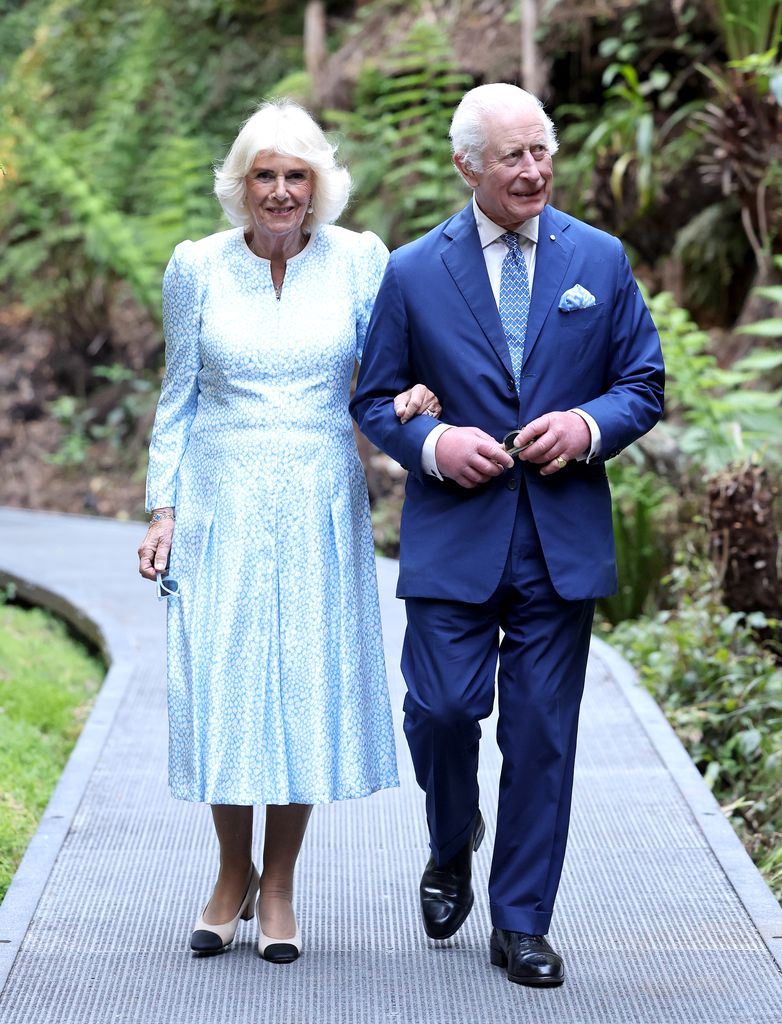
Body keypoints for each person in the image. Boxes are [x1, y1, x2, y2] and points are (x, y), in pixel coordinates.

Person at [351, 82, 665, 988]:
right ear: (467, 167)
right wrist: (436, 443)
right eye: (513, 157)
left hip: (560, 540)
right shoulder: (413, 270)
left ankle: (521, 920)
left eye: (542, 152)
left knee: (539, 739)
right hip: (455, 534)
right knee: (443, 712)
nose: (534, 171)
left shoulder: (598, 260)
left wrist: (588, 427)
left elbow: (641, 382)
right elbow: (377, 397)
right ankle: (453, 840)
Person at [137, 100, 440, 964]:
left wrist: (418, 397)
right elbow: (178, 396)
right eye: (264, 175)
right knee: (226, 679)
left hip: (317, 494)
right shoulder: (195, 266)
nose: (280, 191)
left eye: (295, 176)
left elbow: (387, 374)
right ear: (242, 185)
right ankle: (229, 874)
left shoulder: (359, 261)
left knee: (302, 681)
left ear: (318, 186)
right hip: (218, 498)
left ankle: (279, 886)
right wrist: (163, 510)